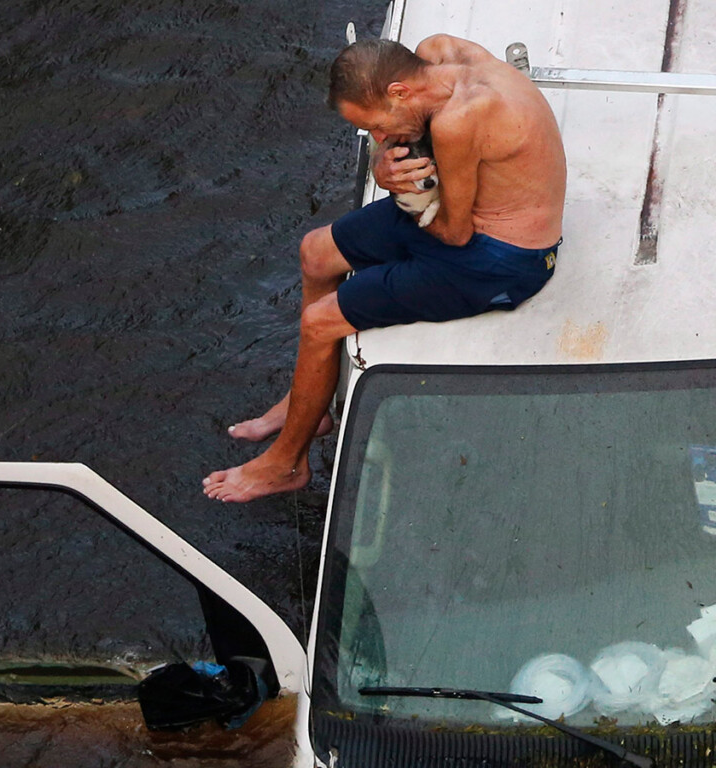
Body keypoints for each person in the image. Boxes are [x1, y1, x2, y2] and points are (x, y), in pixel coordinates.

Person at [202, 34, 566, 503]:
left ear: (399, 93)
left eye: (375, 127)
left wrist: (392, 186)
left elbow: (454, 234)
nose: (377, 138)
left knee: (321, 322)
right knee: (316, 252)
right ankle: (308, 404)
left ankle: (285, 464)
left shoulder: (461, 119)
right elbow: (419, 178)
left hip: (501, 258)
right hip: (462, 216)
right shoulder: (438, 53)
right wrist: (382, 162)